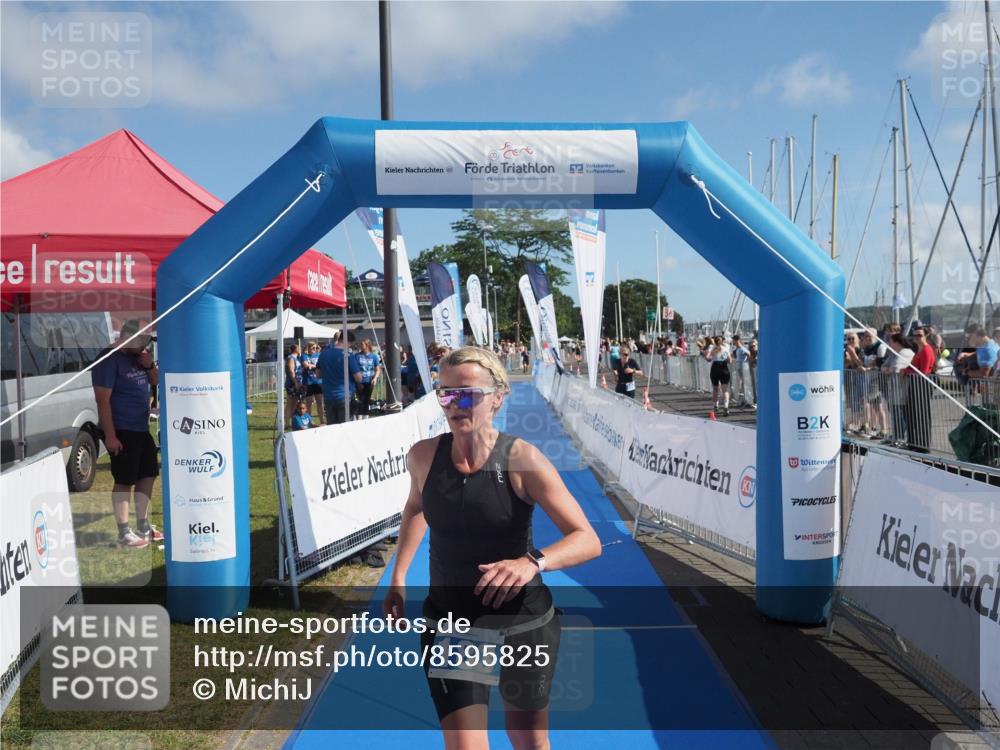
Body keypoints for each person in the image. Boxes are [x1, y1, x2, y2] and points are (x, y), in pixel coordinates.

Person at [383, 347, 601, 749]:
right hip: (452, 624)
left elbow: (587, 539)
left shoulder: (522, 459)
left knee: (527, 738)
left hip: (524, 622)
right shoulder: (423, 456)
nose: (454, 405)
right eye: (445, 394)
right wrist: (398, 577)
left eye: (467, 394)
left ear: (498, 397)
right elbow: (416, 507)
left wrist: (532, 562)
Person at [92, 319, 163, 549]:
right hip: (121, 429)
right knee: (124, 479)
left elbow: (156, 381)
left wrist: (149, 365)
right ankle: (123, 532)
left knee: (148, 474)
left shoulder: (139, 357)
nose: (145, 347)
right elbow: (102, 401)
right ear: (128, 337)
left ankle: (143, 524)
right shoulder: (108, 359)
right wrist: (110, 436)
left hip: (141, 428)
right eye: (142, 341)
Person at [318, 332, 363, 425]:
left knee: (332, 427)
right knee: (346, 428)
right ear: (349, 342)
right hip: (344, 396)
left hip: (328, 396)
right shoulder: (348, 355)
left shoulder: (323, 354)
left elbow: (318, 374)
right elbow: (358, 378)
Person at [904, 328, 936, 453]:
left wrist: (906, 371)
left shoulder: (927, 350)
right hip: (915, 383)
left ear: (926, 335)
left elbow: (923, 371)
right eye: (915, 335)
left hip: (921, 384)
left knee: (921, 413)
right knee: (914, 413)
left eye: (919, 335)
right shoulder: (919, 349)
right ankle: (914, 442)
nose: (917, 337)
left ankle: (923, 444)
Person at [704, 335, 732, 416]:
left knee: (715, 388)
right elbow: (730, 361)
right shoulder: (726, 348)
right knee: (725, 389)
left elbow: (708, 358)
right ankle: (726, 406)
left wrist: (708, 355)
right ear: (722, 341)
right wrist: (724, 357)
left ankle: (716, 406)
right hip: (724, 367)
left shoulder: (712, 348)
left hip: (715, 367)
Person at [300, 342, 324, 425]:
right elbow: (306, 365)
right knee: (309, 403)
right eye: (313, 348)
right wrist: (314, 366)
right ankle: (309, 421)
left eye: (315, 348)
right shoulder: (304, 356)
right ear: (308, 348)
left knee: (320, 403)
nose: (314, 350)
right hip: (308, 382)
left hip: (318, 382)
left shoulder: (318, 355)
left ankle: (322, 421)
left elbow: (320, 365)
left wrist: (312, 366)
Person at [356, 339, 382, 417]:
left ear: (367, 345)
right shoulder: (357, 356)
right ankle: (360, 416)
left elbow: (378, 369)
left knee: (367, 399)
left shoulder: (374, 356)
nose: (360, 346)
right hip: (359, 381)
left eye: (362, 344)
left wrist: (375, 378)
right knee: (361, 398)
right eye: (360, 344)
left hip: (369, 380)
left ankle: (365, 416)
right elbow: (354, 369)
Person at [284, 343, 305, 429]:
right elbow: (291, 371)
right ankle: (287, 423)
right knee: (290, 403)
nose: (300, 350)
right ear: (296, 349)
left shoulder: (297, 358)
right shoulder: (291, 358)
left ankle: (293, 421)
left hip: (298, 382)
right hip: (292, 384)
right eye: (299, 348)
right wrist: (295, 382)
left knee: (295, 403)